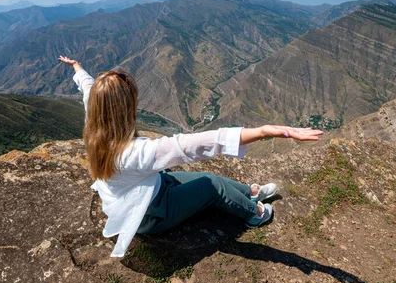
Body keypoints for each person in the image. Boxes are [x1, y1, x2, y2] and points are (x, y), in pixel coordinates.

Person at [59, 56, 324, 257]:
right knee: (211, 187)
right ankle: (254, 213)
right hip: (149, 215)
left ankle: (250, 192)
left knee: (206, 178)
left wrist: (77, 68)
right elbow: (199, 144)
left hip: (146, 191)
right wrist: (265, 131)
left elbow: (88, 89)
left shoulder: (94, 126)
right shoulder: (136, 153)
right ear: (126, 109)